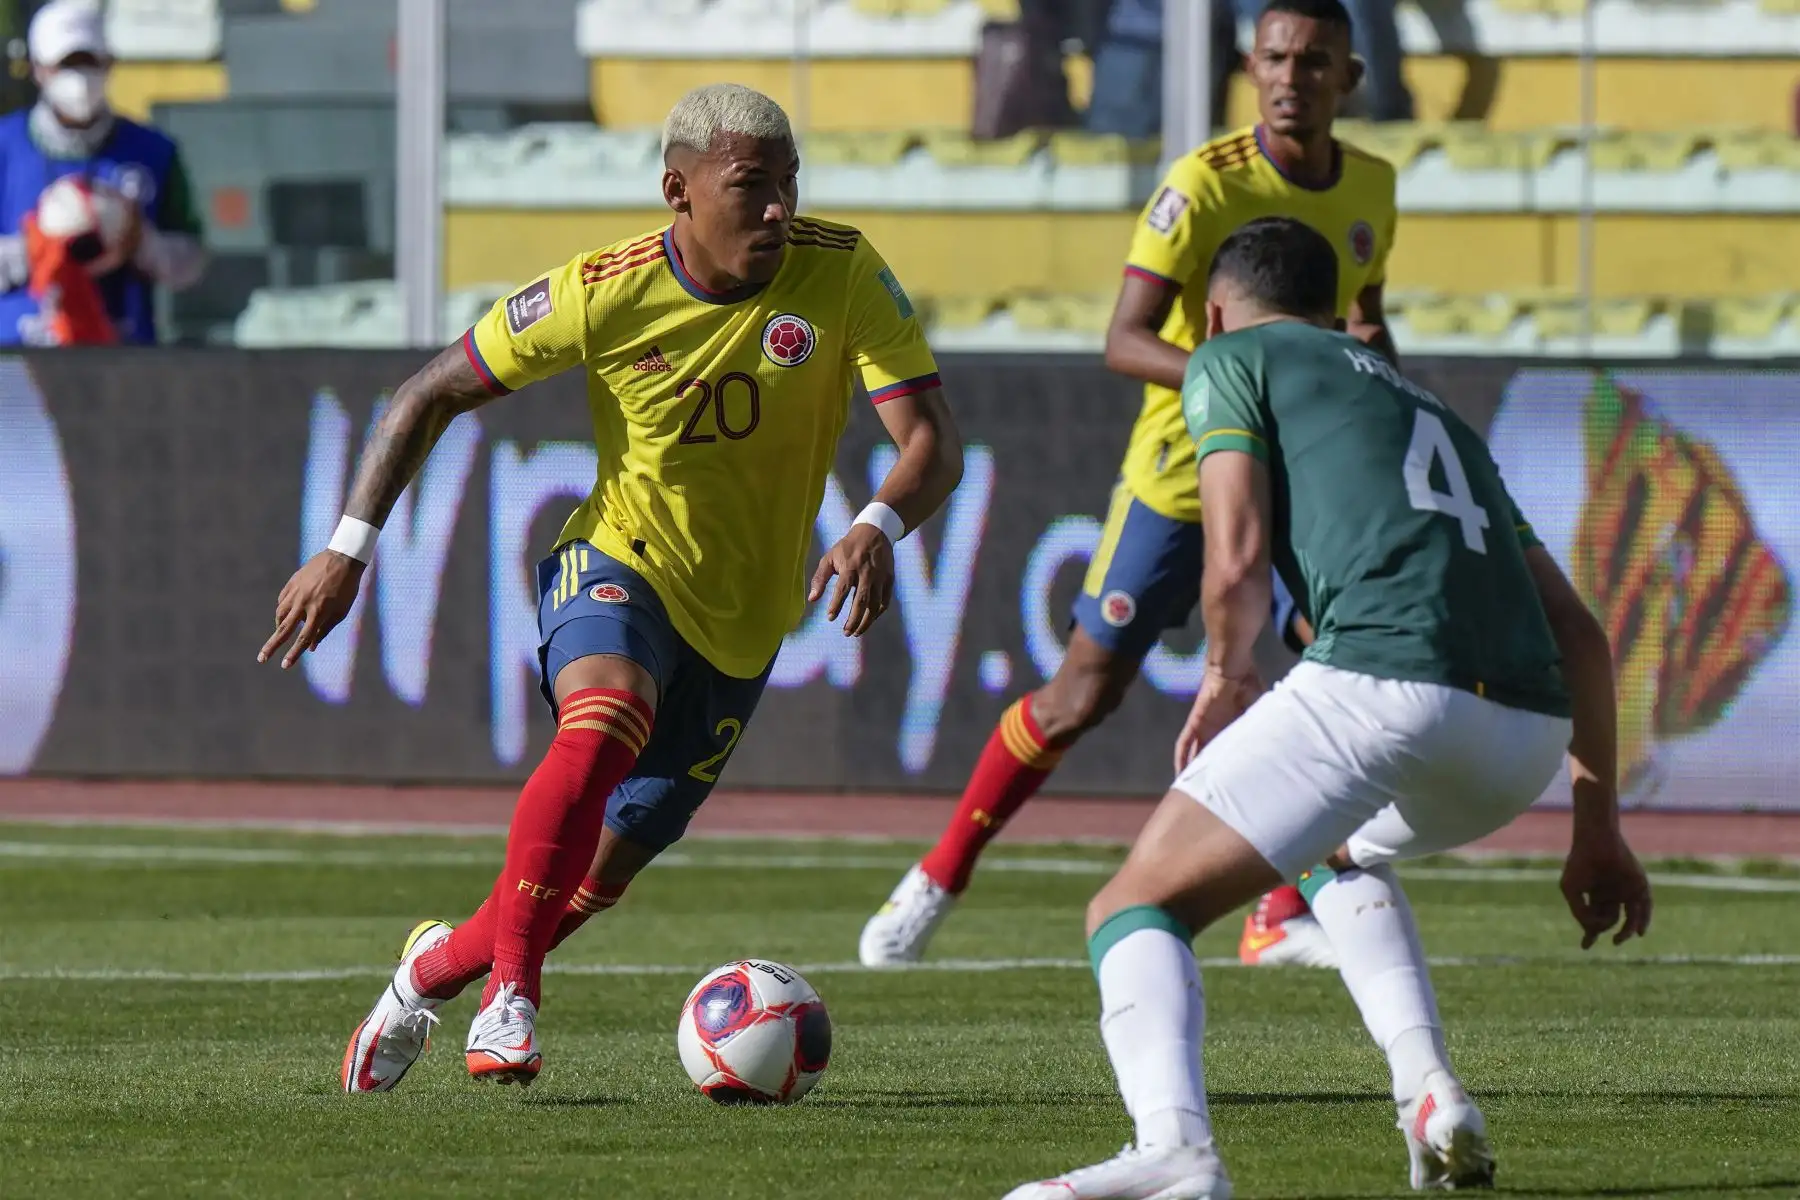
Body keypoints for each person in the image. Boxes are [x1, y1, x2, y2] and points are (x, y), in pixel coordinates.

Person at [258, 83, 964, 1092]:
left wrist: (875, 520)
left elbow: (933, 445)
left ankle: (430, 973)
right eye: (752, 187)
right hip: (619, 561)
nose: (779, 209)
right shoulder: (603, 290)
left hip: (745, 623)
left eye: (789, 183)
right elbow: (428, 394)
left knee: (589, 881)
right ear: (678, 190)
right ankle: (512, 1003)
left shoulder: (839, 269)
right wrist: (347, 548)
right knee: (603, 719)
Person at [1002, 217, 1652, 1200]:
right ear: (1339, 310)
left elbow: (1236, 554)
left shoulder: (1231, 359)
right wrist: (1597, 827)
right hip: (1519, 742)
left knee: (1133, 904)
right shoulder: (1435, 414)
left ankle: (1176, 1154)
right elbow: (1586, 638)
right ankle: (1429, 1092)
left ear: (1213, 313)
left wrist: (1228, 675)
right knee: (1336, 846)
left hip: (1384, 688)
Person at [861, 0, 1396, 971]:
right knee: (1081, 693)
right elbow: (1124, 339)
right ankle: (939, 874)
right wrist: (1247, 376)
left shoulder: (1371, 190)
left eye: (1315, 62)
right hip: (1185, 472)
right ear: (1248, 66)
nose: (1292, 77)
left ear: (1349, 79)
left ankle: (1279, 910)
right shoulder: (1202, 185)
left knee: (1330, 670)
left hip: (1303, 475)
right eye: (1276, 58)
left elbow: (1362, 317)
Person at [0, 0, 206, 345]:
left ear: (109, 64)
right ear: (39, 69)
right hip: (19, 358)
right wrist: (38, 248)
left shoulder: (153, 151)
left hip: (120, 359)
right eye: (66, 65)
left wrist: (140, 243)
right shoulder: (6, 147)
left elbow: (193, 259)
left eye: (89, 63)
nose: (79, 79)